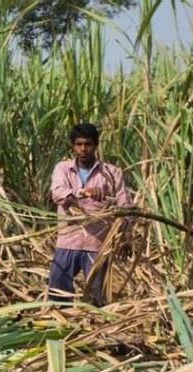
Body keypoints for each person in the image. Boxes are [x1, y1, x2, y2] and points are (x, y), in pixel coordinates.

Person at [48, 122, 133, 305]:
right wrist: (84, 193)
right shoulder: (63, 169)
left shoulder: (112, 173)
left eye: (87, 144)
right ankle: (58, 328)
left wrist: (126, 235)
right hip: (68, 240)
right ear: (73, 146)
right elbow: (58, 193)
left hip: (98, 244)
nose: (83, 149)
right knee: (57, 294)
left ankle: (96, 331)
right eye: (79, 144)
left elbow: (124, 206)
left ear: (95, 146)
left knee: (97, 297)